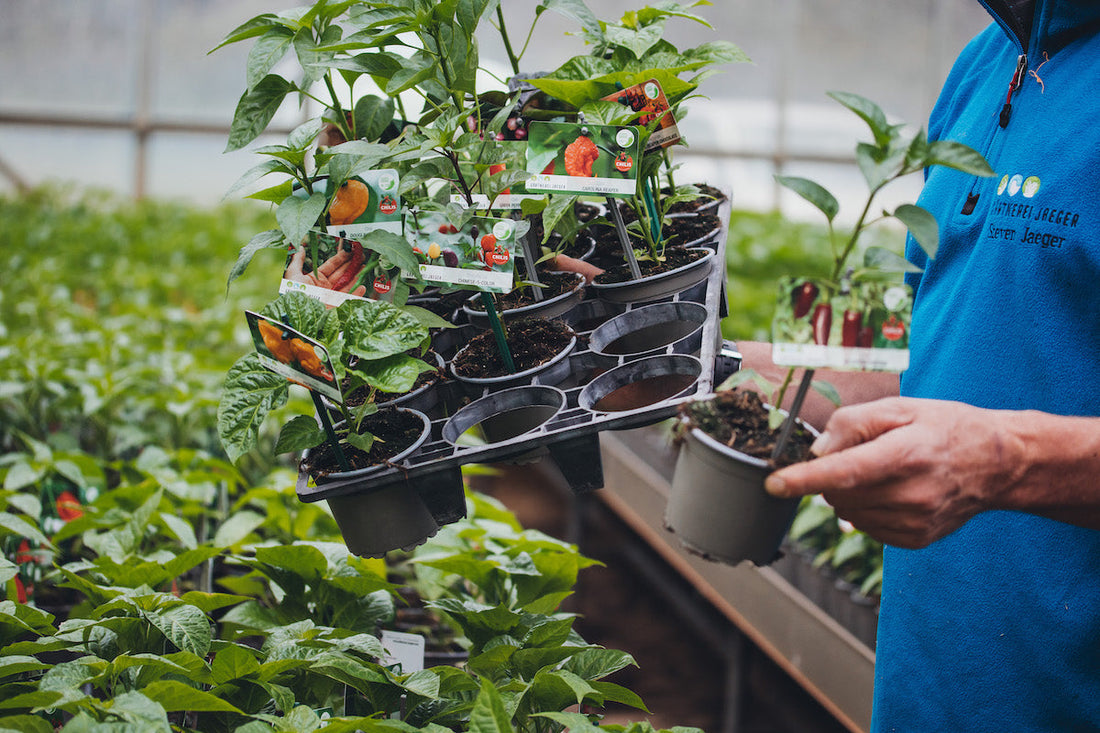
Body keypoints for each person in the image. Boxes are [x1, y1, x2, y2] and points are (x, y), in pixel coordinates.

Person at [748, 1, 1100, 728]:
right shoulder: (987, 59)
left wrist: (1007, 460)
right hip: (934, 695)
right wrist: (707, 368)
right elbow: (930, 355)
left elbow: (989, 438)